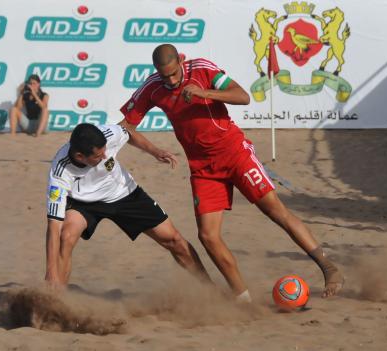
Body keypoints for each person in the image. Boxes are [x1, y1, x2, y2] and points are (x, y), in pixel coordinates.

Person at [118, 44, 344, 302]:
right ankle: (243, 301)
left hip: (236, 154)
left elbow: (243, 96)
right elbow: (125, 127)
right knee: (207, 236)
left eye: (173, 74)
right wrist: (154, 150)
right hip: (203, 168)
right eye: (164, 75)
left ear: (181, 60)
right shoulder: (152, 87)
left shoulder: (201, 69)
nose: (170, 80)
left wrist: (204, 93)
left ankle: (330, 269)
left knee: (275, 211)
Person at [45, 122, 210, 287]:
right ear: (80, 156)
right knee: (65, 238)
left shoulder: (107, 135)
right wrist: (51, 271)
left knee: (173, 240)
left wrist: (155, 151)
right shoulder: (60, 171)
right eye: (98, 156)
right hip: (83, 203)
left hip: (123, 192)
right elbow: (53, 225)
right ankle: (57, 299)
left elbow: (129, 132)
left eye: (105, 151)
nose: (105, 157)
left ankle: (210, 289)